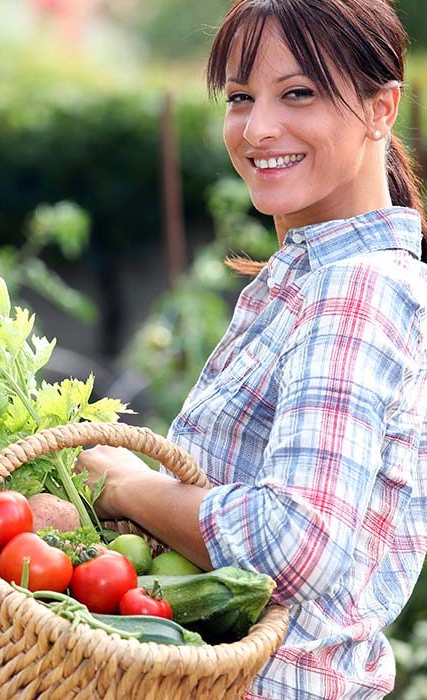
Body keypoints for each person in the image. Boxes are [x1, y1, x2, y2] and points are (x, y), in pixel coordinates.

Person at [74, 0, 427, 697]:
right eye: (241, 97)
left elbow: (290, 542)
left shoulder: (353, 290)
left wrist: (128, 486)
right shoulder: (304, 279)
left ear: (381, 110)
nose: (258, 127)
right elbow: (223, 505)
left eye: (298, 93)